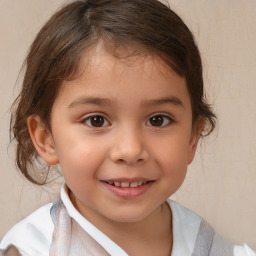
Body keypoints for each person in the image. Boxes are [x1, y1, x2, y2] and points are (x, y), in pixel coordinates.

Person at [0, 0, 255, 255]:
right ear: (46, 138)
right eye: (96, 120)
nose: (131, 150)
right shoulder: (32, 249)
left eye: (158, 120)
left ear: (192, 137)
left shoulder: (218, 249)